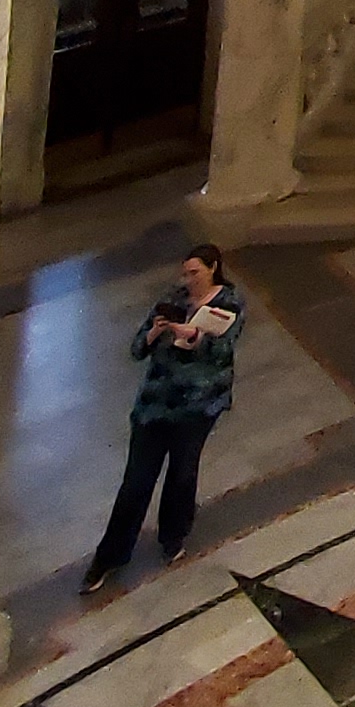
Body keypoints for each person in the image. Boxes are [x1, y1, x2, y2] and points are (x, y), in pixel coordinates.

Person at [83, 246, 246, 594]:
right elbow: (136, 349)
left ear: (213, 269)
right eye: (185, 273)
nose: (188, 280)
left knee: (182, 473)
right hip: (154, 406)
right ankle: (110, 555)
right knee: (136, 481)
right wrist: (156, 333)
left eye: (195, 273)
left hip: (197, 406)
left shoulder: (229, 304)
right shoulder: (172, 300)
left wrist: (195, 337)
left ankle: (173, 536)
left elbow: (223, 351)